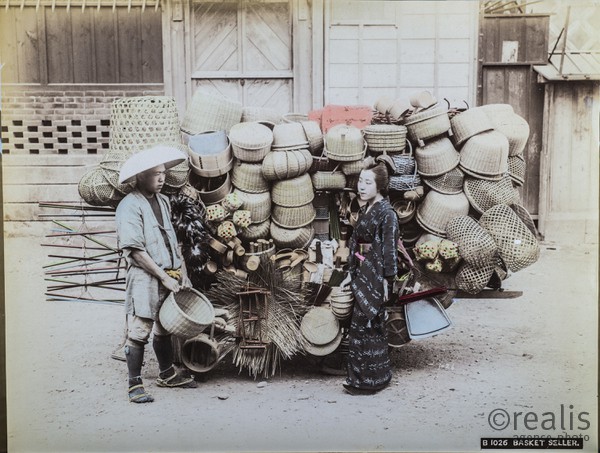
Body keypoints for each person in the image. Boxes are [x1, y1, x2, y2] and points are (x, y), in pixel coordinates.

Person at [115, 145, 195, 403]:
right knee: (140, 329)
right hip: (146, 276)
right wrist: (163, 277)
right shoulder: (129, 205)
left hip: (169, 273)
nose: (161, 179)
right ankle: (134, 384)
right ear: (140, 177)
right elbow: (136, 251)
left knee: (164, 326)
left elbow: (171, 240)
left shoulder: (163, 201)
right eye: (154, 174)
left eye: (163, 173)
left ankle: (167, 373)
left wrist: (180, 271)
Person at [340, 156, 399, 395]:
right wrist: (350, 271)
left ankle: (372, 381)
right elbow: (357, 243)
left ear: (380, 187)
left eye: (367, 183)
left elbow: (389, 248)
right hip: (363, 272)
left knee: (368, 326)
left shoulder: (388, 213)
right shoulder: (367, 208)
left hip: (375, 276)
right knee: (360, 328)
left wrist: (388, 279)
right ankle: (364, 379)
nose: (361, 187)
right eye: (360, 182)